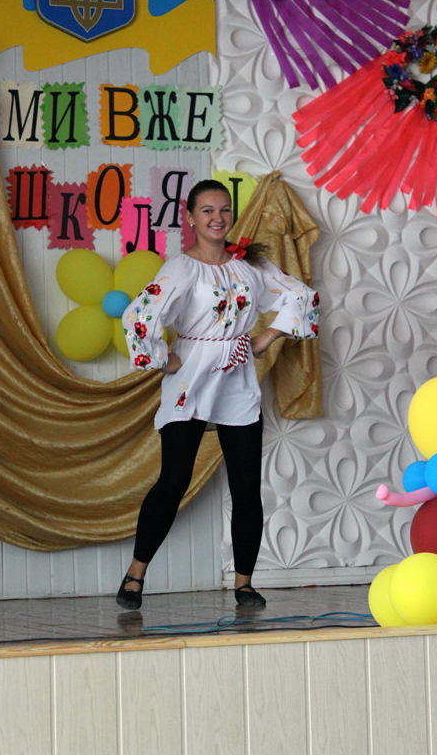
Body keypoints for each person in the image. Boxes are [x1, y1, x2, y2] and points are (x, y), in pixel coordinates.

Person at [118, 179, 319, 610]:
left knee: (246, 486)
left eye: (224, 209)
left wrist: (265, 337)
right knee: (174, 480)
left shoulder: (248, 265)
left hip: (237, 379)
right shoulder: (181, 268)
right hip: (192, 378)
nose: (217, 217)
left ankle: (244, 584)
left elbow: (301, 295)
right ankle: (134, 576)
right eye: (207, 210)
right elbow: (140, 316)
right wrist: (166, 360)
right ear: (191, 218)